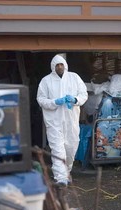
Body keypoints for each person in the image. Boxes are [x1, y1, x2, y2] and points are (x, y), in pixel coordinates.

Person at [37, 54, 88, 185]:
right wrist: (55, 102)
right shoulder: (46, 81)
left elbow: (83, 94)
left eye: (61, 65)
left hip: (71, 121)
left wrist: (75, 100)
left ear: (65, 65)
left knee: (71, 148)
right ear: (53, 67)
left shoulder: (74, 77)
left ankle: (67, 171)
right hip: (54, 122)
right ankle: (61, 178)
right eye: (57, 65)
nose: (59, 67)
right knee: (58, 150)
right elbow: (41, 100)